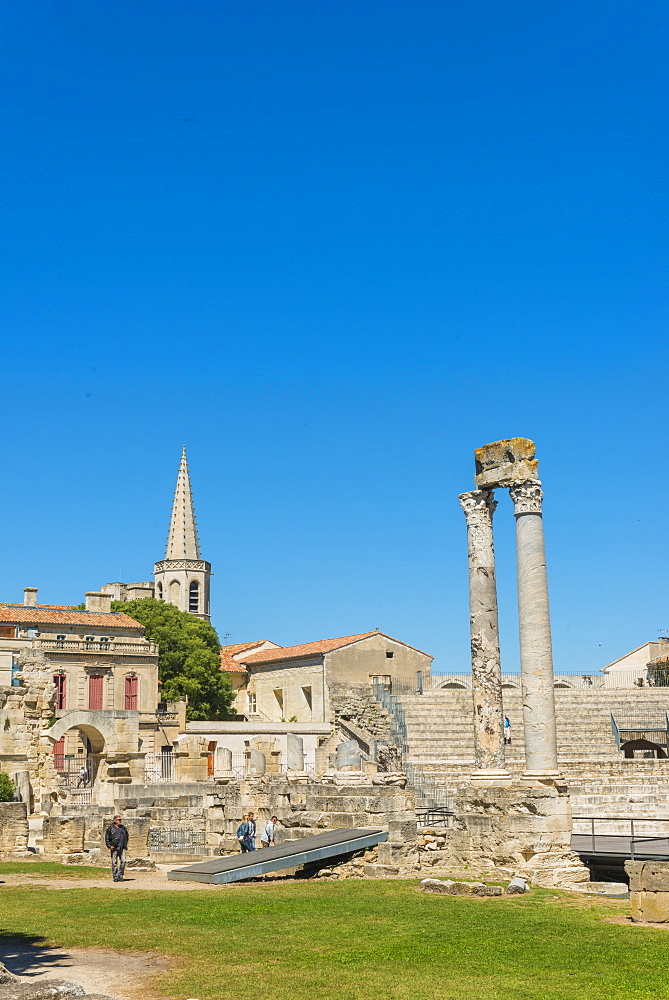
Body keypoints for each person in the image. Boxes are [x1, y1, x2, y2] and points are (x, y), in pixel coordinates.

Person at [104, 814, 129, 882]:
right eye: (119, 820)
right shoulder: (110, 828)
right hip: (114, 847)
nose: (120, 821)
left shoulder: (123, 828)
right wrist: (109, 846)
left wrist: (125, 843)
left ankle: (120, 874)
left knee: (123, 861)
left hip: (122, 847)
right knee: (114, 862)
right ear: (115, 821)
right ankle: (115, 876)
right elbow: (107, 838)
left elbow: (127, 835)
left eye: (121, 819)